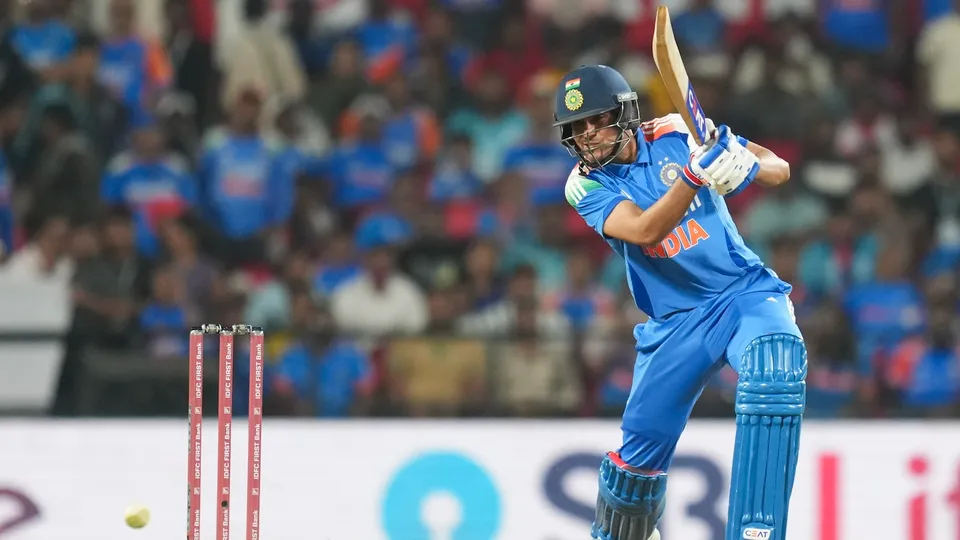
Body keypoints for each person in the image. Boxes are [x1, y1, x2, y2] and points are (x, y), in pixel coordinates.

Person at [554, 65, 805, 540]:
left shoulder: (675, 129)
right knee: (633, 473)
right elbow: (646, 230)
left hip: (740, 295)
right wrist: (694, 174)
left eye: (598, 119)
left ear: (625, 113)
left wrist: (740, 165)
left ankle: (757, 532)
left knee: (776, 364)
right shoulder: (583, 185)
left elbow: (779, 168)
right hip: (674, 324)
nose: (588, 135)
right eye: (577, 128)